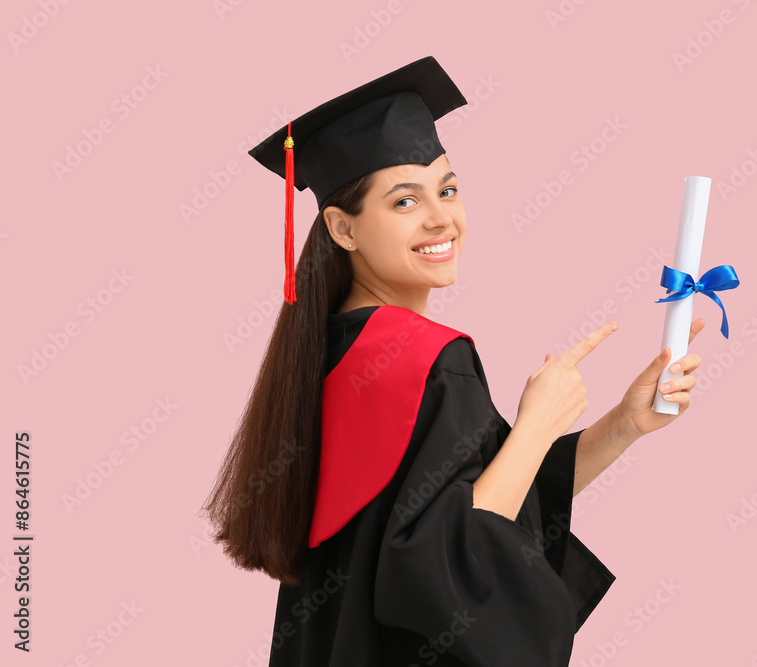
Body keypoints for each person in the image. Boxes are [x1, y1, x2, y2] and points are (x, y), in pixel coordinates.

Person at [201, 56, 704, 667]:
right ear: (342, 228)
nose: (442, 218)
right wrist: (538, 423)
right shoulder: (430, 359)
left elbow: (498, 497)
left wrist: (623, 424)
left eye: (448, 189)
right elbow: (446, 561)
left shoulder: (325, 351)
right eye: (405, 202)